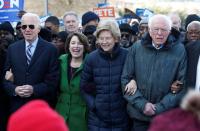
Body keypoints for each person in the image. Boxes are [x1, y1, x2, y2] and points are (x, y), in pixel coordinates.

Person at [121, 14, 187, 131]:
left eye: (164, 30)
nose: (159, 33)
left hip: (165, 117)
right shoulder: (136, 48)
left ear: (170, 31)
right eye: (156, 29)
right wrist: (143, 105)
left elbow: (181, 85)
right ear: (150, 31)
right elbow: (125, 79)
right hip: (139, 116)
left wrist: (159, 108)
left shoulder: (179, 50)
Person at [3, 12, 59, 113]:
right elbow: (5, 78)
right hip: (18, 108)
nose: (27, 29)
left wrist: (34, 89)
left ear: (38, 29)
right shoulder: (12, 49)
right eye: (24, 27)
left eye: (31, 26)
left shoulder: (51, 49)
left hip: (41, 107)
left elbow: (53, 80)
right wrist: (15, 90)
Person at [80, 20, 130, 131]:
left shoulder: (127, 55)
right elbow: (84, 87)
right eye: (101, 38)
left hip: (121, 118)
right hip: (97, 120)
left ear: (116, 38)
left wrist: (133, 82)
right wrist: (94, 105)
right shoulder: (91, 58)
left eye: (108, 38)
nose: (104, 42)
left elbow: (133, 77)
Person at [55, 32, 89, 131]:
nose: (76, 46)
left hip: (82, 117)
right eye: (73, 43)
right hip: (61, 114)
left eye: (79, 43)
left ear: (85, 46)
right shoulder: (60, 60)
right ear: (68, 46)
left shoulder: (90, 62)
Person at [0, 21, 15, 131]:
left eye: (6, 33)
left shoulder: (19, 49)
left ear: (12, 34)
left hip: (16, 97)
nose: (3, 36)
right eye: (0, 34)